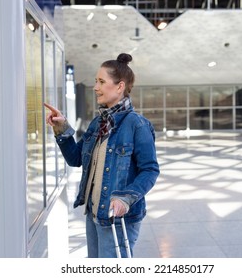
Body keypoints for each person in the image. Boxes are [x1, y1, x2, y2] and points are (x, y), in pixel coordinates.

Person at [44, 53, 160, 258]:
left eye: (101, 81)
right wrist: (61, 128)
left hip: (118, 219)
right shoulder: (98, 123)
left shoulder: (137, 124)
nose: (95, 87)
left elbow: (150, 170)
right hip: (94, 213)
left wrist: (126, 198)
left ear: (119, 86)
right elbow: (75, 159)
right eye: (95, 81)